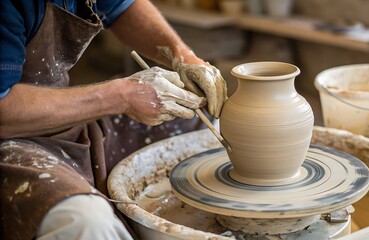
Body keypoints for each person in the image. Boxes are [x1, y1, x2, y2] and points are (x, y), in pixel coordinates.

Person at [0, 0, 227, 239]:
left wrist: (183, 56)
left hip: (61, 118)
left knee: (192, 116)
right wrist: (121, 97)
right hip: (12, 135)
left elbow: (122, 6)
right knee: (87, 223)